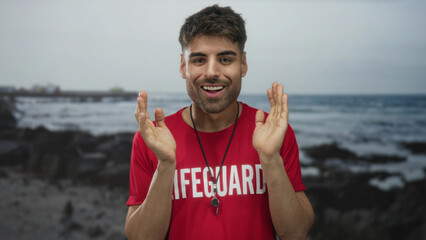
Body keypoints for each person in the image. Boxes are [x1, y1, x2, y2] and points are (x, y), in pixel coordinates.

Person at [125, 4, 314, 240]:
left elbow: (296, 234)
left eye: (225, 59)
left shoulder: (274, 133)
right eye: (199, 60)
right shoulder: (153, 139)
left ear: (243, 65)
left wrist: (270, 159)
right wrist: (165, 164)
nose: (212, 72)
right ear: (183, 67)